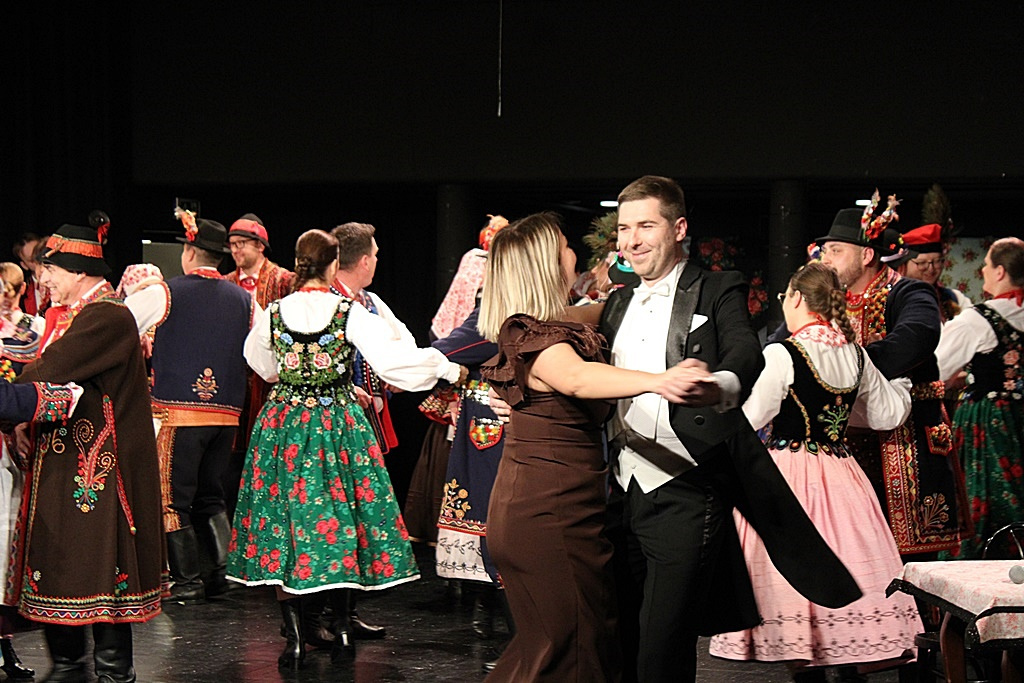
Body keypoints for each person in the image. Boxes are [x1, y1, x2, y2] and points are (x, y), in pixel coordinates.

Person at [601, 176, 859, 683]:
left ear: (679, 228)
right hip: (618, 488)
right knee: (621, 639)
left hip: (686, 487)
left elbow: (744, 349)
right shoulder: (615, 303)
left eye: (645, 226)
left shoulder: (718, 287)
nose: (631, 240)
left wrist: (719, 384)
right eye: (624, 229)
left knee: (662, 644)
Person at [478, 211, 734, 682]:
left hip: (555, 504)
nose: (572, 251)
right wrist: (659, 380)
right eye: (564, 245)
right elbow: (577, 377)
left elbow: (607, 312)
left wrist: (637, 293)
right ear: (546, 262)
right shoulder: (532, 337)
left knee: (560, 645)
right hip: (547, 511)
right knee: (570, 649)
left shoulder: (551, 324)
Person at [226, 229, 465, 669]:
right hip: (334, 424)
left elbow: (260, 363)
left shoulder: (274, 312)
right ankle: (339, 628)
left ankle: (296, 637)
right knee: (340, 519)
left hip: (283, 426)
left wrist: (296, 376)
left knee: (286, 521)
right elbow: (393, 362)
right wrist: (447, 369)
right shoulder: (347, 312)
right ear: (334, 265)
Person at [708, 262, 922, 681]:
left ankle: (809, 665)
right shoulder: (855, 353)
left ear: (798, 298)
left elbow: (753, 417)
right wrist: (904, 388)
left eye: (785, 297)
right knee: (847, 560)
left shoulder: (783, 353)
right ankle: (848, 664)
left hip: (790, 471)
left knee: (797, 565)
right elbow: (886, 414)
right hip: (842, 474)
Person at [12, 223, 164, 683]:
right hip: (66, 458)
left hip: (98, 464)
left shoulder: (106, 316)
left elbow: (51, 368)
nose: (44, 281)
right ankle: (68, 664)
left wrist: (11, 399)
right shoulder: (70, 314)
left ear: (78, 271)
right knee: (64, 557)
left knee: (98, 562)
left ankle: (113, 671)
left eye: (51, 271)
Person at [815, 198, 967, 557]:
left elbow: (917, 337)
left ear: (867, 255)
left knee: (910, 560)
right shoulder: (826, 300)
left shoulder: (908, 292)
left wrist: (844, 368)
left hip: (904, 441)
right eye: (825, 251)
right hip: (844, 448)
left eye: (835, 251)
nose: (825, 259)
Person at [125, 215, 256, 603]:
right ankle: (222, 574)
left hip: (178, 414)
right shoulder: (246, 300)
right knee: (211, 494)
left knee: (172, 500)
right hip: (226, 415)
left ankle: (188, 581)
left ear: (189, 252)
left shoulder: (165, 293)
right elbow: (263, 355)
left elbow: (120, 324)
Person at [934, 237, 1024, 560]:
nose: (982, 270)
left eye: (986, 264)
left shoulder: (979, 319)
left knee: (981, 497)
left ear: (1000, 272)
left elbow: (936, 366)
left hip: (991, 422)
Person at [224, 214, 297, 522]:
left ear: (260, 245)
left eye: (242, 243)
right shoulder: (225, 283)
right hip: (232, 378)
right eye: (232, 245)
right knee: (231, 456)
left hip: (270, 381)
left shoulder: (285, 281)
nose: (236, 250)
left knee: (268, 454)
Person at [897, 222, 971, 321]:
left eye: (937, 261)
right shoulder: (891, 300)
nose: (931, 269)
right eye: (922, 263)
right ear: (903, 265)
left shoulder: (954, 298)